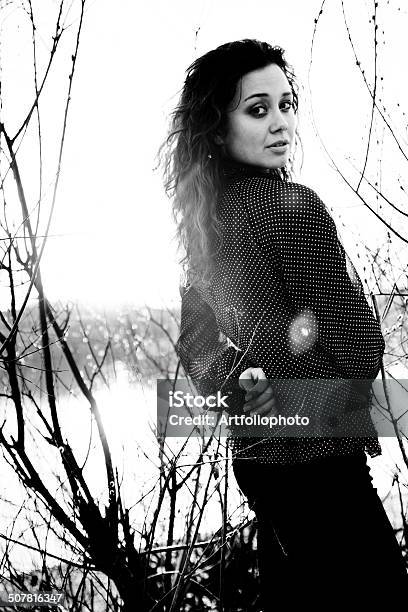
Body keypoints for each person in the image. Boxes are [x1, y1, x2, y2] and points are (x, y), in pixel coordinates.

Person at [162, 39, 407, 609]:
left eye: (287, 104)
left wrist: (239, 385)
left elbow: (196, 344)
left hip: (261, 458)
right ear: (219, 130)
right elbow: (357, 351)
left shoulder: (205, 219)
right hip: (321, 457)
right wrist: (362, 328)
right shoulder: (293, 207)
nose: (281, 123)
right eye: (258, 108)